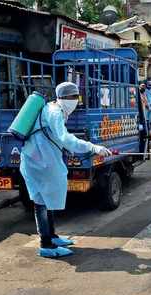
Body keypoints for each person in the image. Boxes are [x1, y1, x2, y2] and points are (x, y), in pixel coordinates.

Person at [20, 82, 112, 258]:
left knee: (47, 201)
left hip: (40, 160)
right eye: (73, 97)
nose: (76, 101)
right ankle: (46, 245)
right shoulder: (55, 112)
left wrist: (70, 149)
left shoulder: (54, 108)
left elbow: (54, 137)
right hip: (39, 163)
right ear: (64, 97)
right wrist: (92, 147)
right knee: (42, 203)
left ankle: (52, 237)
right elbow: (65, 138)